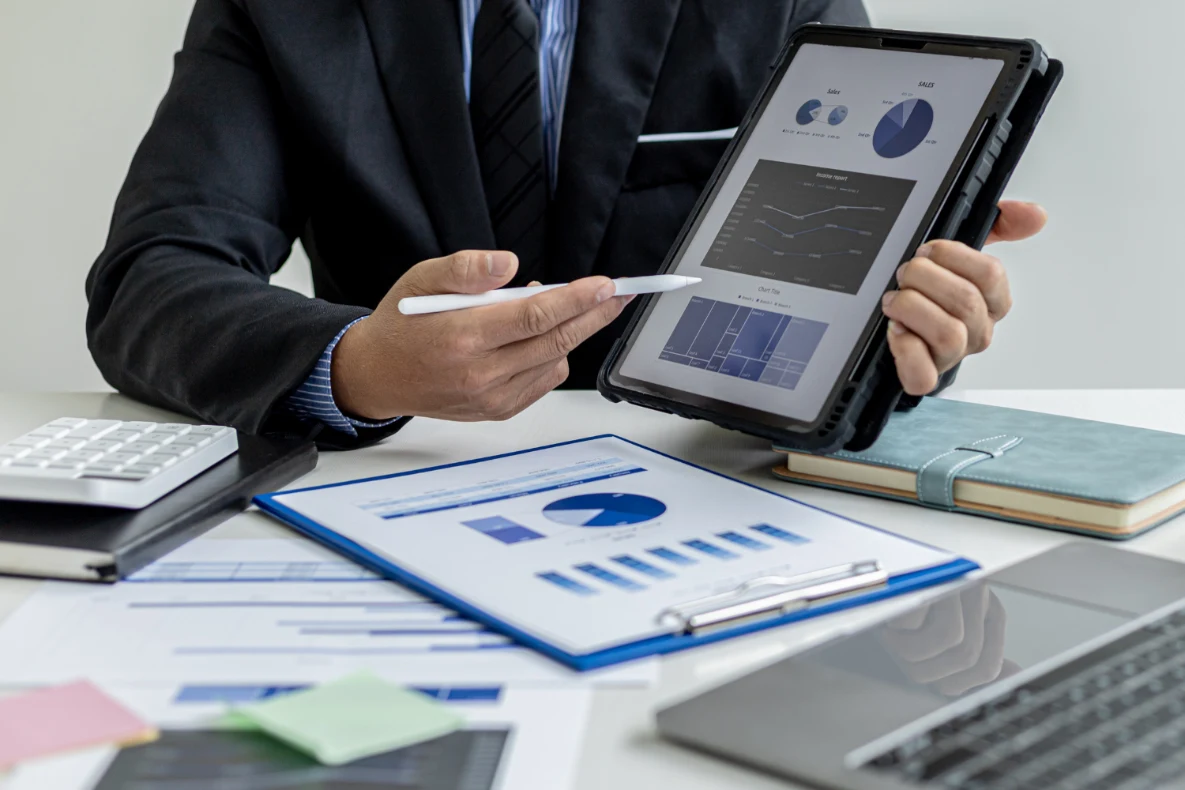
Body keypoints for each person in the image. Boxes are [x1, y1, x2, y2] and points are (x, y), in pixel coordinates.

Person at [86, 0, 1047, 449]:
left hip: (703, 487)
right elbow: (152, 277)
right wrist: (358, 366)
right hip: (393, 487)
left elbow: (856, 257)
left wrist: (908, 325)